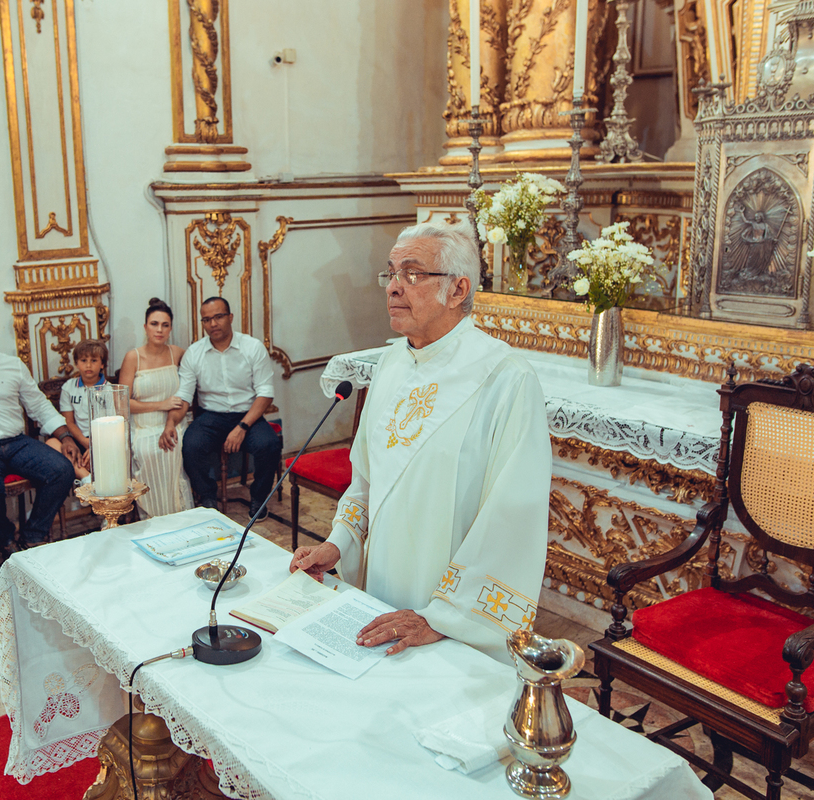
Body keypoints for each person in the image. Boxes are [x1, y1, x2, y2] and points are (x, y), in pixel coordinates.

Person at [289, 223, 551, 666]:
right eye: (390, 273)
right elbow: (369, 480)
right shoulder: (390, 363)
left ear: (457, 289)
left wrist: (444, 618)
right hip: (380, 603)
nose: (393, 287)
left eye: (412, 274)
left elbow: (510, 522)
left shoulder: (506, 380)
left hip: (446, 620)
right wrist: (339, 544)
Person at [175, 297, 280, 520]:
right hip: (211, 415)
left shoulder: (252, 347)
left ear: (230, 317)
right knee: (191, 445)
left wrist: (242, 426)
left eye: (218, 317)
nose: (213, 324)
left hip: (247, 414)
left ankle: (259, 499)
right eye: (206, 319)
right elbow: (184, 396)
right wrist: (169, 424)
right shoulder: (194, 353)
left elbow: (265, 393)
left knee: (268, 444)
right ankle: (207, 497)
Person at [118, 298, 194, 518]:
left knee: (176, 448)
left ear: (170, 328)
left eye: (165, 325)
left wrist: (171, 415)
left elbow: (188, 389)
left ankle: (179, 515)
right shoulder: (133, 357)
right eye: (154, 324)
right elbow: (123, 403)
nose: (159, 329)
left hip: (174, 421)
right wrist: (160, 404)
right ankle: (152, 517)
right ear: (145, 327)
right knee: (148, 451)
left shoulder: (178, 354)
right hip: (142, 424)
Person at [50, 338, 109, 482]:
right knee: (51, 443)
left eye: (94, 360)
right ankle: (87, 479)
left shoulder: (110, 390)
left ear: (102, 364)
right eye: (83, 360)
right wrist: (84, 442)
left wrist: (95, 446)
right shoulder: (69, 387)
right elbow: (68, 422)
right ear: (76, 363)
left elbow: (111, 424)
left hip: (103, 440)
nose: (88, 365)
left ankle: (99, 485)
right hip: (78, 439)